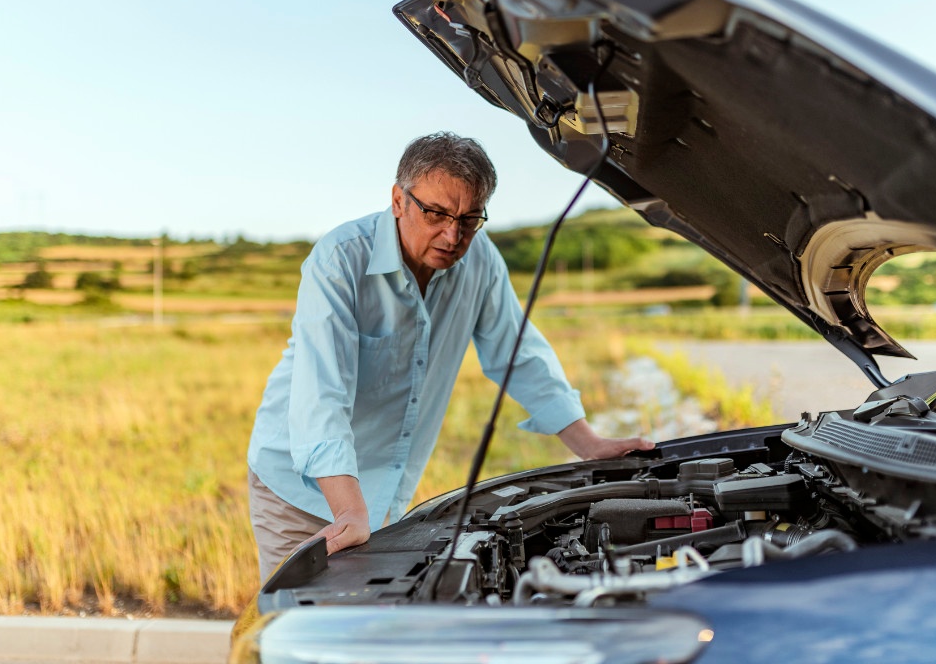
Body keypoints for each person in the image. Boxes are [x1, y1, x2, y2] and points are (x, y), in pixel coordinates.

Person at [246, 132, 653, 583]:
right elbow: (323, 394)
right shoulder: (339, 260)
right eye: (436, 213)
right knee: (298, 636)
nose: (453, 235)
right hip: (297, 489)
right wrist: (348, 510)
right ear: (399, 200)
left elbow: (518, 353)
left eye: (470, 218)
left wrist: (589, 445)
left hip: (379, 499)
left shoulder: (481, 262)